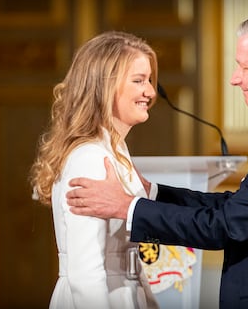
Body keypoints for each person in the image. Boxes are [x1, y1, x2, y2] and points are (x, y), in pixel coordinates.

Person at [66, 10, 248, 308]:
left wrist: (126, 207)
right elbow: (235, 208)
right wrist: (154, 194)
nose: (236, 79)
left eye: (244, 67)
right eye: (138, 80)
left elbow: (226, 225)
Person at [29, 31, 160, 309]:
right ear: (104, 87)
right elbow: (84, 273)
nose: (150, 91)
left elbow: (131, 259)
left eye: (149, 80)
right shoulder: (89, 157)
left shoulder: (114, 150)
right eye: (138, 81)